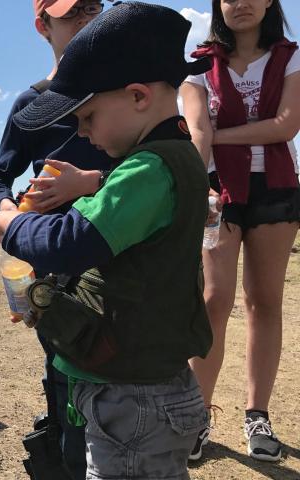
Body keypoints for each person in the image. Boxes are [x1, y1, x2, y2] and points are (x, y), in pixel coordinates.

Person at [0, 3, 213, 478]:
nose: (82, 131)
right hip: (141, 384)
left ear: (139, 96)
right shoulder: (169, 159)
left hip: (132, 396)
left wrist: (9, 227)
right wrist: (95, 183)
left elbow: (72, 241)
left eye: (88, 118)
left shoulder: (149, 169)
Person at [0, 0, 111, 477]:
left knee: (111, 362)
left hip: (117, 249)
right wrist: (13, 215)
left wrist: (88, 181)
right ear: (43, 25)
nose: (86, 18)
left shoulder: (122, 94)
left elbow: (147, 168)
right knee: (61, 358)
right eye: (72, 10)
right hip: (53, 255)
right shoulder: (32, 103)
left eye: (94, 7)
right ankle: (67, 453)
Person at [180, 0, 299, 463]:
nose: (241, 3)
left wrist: (220, 132)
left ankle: (257, 416)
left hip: (277, 188)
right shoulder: (198, 65)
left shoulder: (290, 56)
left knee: (264, 300)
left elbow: (288, 125)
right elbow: (195, 131)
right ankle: (195, 416)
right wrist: (227, 133)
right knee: (214, 299)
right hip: (218, 192)